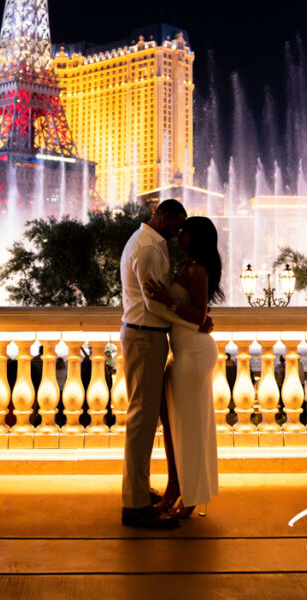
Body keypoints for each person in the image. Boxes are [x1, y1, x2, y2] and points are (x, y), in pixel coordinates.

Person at [119, 199, 213, 529]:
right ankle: (135, 505)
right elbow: (153, 305)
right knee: (142, 421)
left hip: (152, 338)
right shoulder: (147, 248)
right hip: (145, 336)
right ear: (162, 217)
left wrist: (194, 319)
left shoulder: (151, 244)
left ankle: (140, 493)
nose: (178, 232)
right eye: (176, 224)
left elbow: (168, 303)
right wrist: (195, 321)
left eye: (183, 228)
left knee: (147, 421)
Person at [145, 216, 224, 518]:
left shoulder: (197, 271)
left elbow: (199, 317)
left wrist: (169, 301)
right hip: (182, 352)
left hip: (193, 353)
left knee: (188, 428)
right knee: (172, 423)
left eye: (184, 232)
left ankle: (189, 496)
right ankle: (174, 488)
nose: (179, 235)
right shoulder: (185, 266)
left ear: (197, 236)